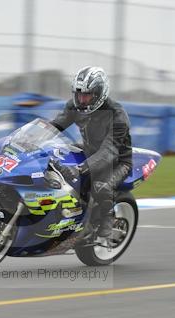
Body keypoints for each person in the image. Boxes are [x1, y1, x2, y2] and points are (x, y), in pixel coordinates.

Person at [50, 66, 132, 238]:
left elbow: (108, 151)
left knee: (100, 187)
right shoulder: (75, 106)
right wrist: (32, 139)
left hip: (117, 161)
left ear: (99, 94)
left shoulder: (117, 116)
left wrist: (81, 168)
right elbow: (56, 125)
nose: (82, 99)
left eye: (86, 95)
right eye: (79, 94)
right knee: (54, 159)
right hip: (88, 150)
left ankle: (107, 219)